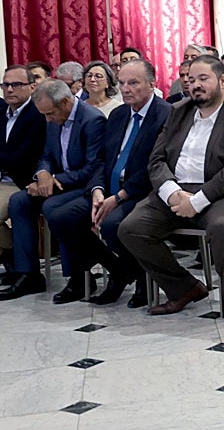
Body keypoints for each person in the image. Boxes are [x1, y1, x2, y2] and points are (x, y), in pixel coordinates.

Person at [117, 56, 224, 325]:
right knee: (130, 228)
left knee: (223, 226)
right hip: (178, 191)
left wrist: (197, 201)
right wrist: (172, 192)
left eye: (203, 79)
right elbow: (157, 159)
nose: (194, 85)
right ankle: (184, 288)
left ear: (222, 81)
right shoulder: (179, 111)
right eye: (190, 80)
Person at [50, 60, 171, 307]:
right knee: (62, 217)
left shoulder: (166, 114)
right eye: (123, 83)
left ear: (152, 84)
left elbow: (156, 167)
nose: (126, 89)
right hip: (109, 188)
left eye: (133, 83)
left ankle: (139, 279)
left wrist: (118, 198)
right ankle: (119, 269)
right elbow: (101, 160)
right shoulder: (118, 114)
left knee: (113, 224)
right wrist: (97, 190)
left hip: (141, 192)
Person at [0, 81, 106, 302]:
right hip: (58, 184)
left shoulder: (92, 120)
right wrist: (43, 175)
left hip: (83, 187)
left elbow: (92, 168)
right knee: (19, 201)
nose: (47, 119)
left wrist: (55, 179)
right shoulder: (51, 118)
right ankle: (28, 274)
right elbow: (46, 155)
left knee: (53, 208)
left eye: (50, 114)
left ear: (66, 103)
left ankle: (77, 276)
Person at [0, 66, 48, 281]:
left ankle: (14, 258)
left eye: (16, 84)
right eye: (5, 85)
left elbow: (24, 156)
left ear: (32, 86)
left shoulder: (39, 113)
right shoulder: (1, 112)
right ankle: (12, 255)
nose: (9, 89)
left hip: (23, 181)